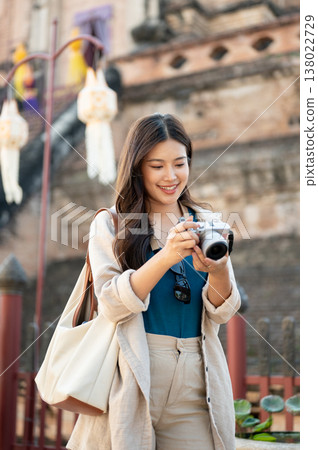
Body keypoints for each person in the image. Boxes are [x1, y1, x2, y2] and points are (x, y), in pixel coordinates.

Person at [67, 113, 241, 450]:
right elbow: (112, 304)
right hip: (134, 372)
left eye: (180, 163)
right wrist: (167, 255)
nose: (171, 176)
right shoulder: (112, 225)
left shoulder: (205, 223)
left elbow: (221, 312)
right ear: (138, 168)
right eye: (157, 166)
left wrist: (217, 269)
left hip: (195, 379)